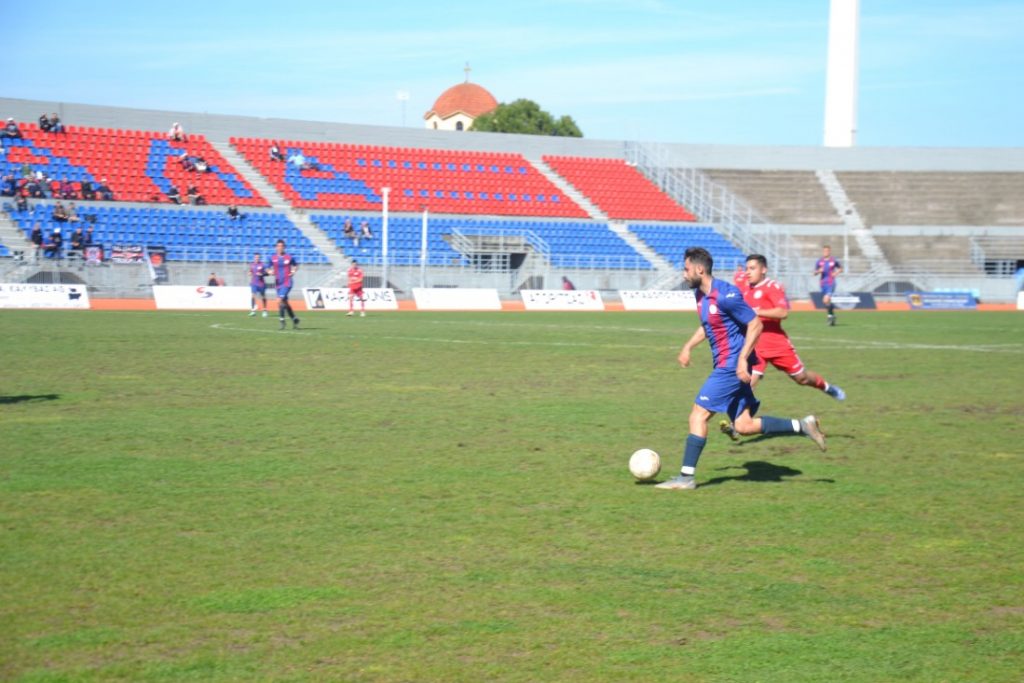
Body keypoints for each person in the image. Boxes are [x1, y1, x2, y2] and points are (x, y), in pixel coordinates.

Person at [655, 247, 827, 491]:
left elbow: (755, 324)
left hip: (731, 366)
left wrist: (742, 359)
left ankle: (685, 478)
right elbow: (708, 325)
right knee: (744, 426)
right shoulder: (700, 295)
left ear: (699, 269)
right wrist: (688, 347)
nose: (684, 274)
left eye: (686, 269)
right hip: (728, 365)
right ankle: (803, 425)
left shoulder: (726, 294)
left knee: (698, 415)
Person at [720, 254, 846, 441]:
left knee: (802, 378)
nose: (748, 272)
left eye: (752, 268)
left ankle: (826, 387)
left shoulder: (772, 287)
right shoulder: (744, 288)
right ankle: (737, 424)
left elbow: (782, 312)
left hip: (777, 344)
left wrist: (756, 311)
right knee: (748, 383)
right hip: (755, 346)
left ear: (763, 269)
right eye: (747, 268)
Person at [269, 239, 300, 330]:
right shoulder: (272, 257)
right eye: (278, 246)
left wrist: (293, 271)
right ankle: (294, 319)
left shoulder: (289, 257)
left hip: (287, 282)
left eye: (282, 246)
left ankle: (282, 320)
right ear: (276, 247)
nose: (280, 248)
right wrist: (269, 271)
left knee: (279, 300)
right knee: (284, 302)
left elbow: (296, 265)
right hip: (278, 283)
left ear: (284, 247)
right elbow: (267, 267)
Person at [814, 245, 842, 326]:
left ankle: (829, 316)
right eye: (824, 251)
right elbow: (814, 273)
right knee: (827, 302)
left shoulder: (834, 260)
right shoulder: (819, 261)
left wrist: (836, 273)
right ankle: (832, 316)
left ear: (829, 251)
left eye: (827, 251)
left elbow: (840, 268)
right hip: (823, 284)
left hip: (831, 283)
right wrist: (818, 271)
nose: (825, 252)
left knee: (826, 300)